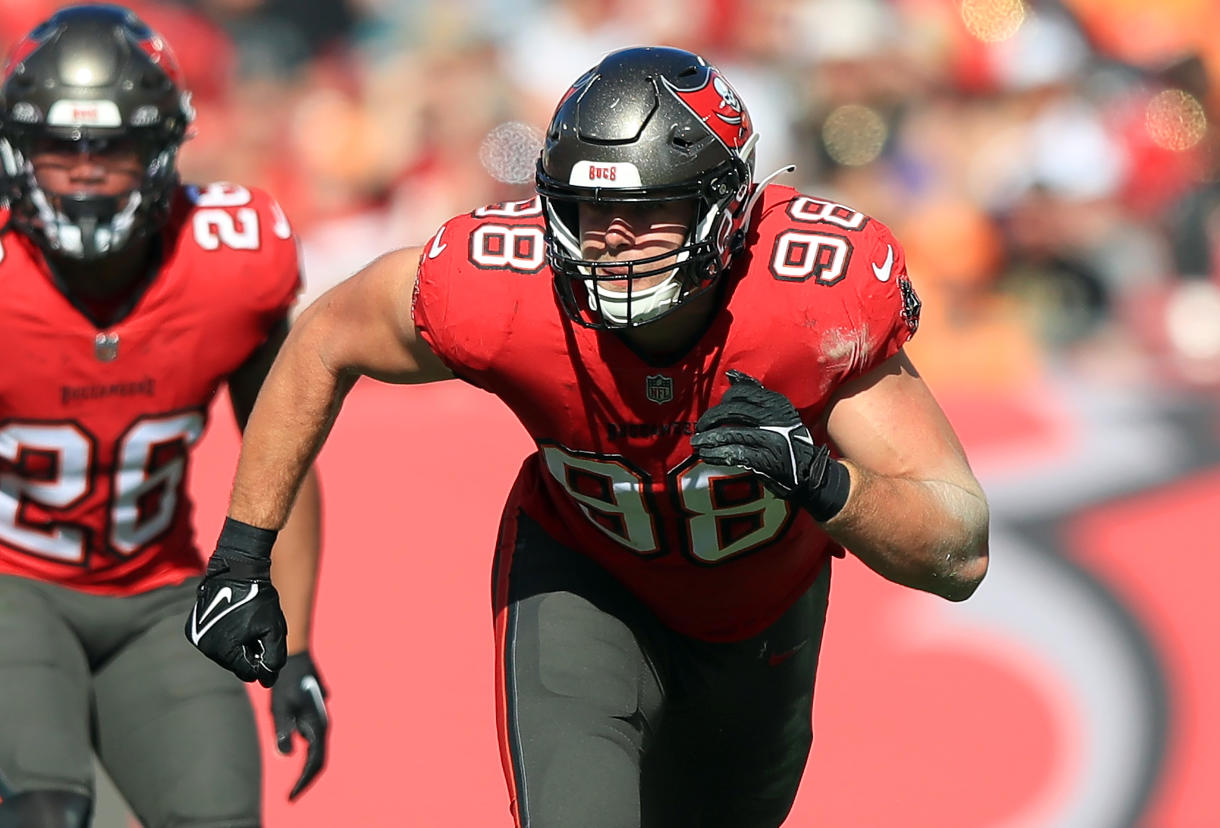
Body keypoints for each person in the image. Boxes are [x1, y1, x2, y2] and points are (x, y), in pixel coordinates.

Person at [188, 46, 989, 827]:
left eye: (647, 213)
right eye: (588, 209)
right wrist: (240, 555)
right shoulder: (504, 285)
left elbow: (959, 550)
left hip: (760, 617)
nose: (611, 239)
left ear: (728, 207)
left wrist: (819, 479)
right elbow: (325, 336)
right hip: (582, 579)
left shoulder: (809, 297)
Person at [0, 6, 329, 827]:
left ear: (159, 149)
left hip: (157, 595)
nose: (81, 173)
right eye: (57, 149)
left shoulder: (232, 264)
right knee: (45, 814)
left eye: (107, 148)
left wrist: (298, 646)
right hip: (11, 584)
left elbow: (280, 452)